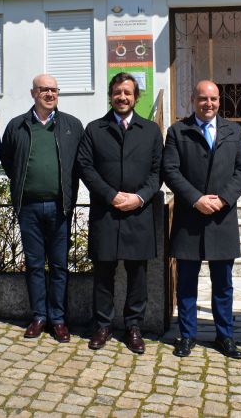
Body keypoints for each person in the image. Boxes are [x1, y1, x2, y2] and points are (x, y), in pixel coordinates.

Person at [162, 80, 241, 359]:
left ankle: (225, 336)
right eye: (203, 99)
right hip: (190, 217)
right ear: (193, 100)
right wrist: (195, 199)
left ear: (219, 101)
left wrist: (224, 198)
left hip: (221, 218)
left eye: (213, 99)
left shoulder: (234, 131)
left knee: (223, 284)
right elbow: (171, 170)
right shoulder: (178, 131)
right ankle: (187, 335)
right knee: (187, 283)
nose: (208, 104)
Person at [77, 73, 163, 354]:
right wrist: (110, 194)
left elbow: (157, 171)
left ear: (136, 97)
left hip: (139, 212)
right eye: (117, 92)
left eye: (127, 92)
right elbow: (86, 167)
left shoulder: (150, 130)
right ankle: (103, 326)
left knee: (138, 274)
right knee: (103, 273)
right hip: (106, 211)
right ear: (110, 96)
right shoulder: (95, 129)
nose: (122, 97)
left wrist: (139, 197)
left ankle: (133, 327)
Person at [0, 74, 84, 342]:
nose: (50, 94)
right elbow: (9, 162)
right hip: (30, 207)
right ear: (33, 92)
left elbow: (81, 163)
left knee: (59, 265)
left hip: (60, 207)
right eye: (44, 89)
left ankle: (58, 319)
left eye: (54, 90)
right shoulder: (17, 126)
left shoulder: (71, 125)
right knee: (35, 265)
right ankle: (39, 316)